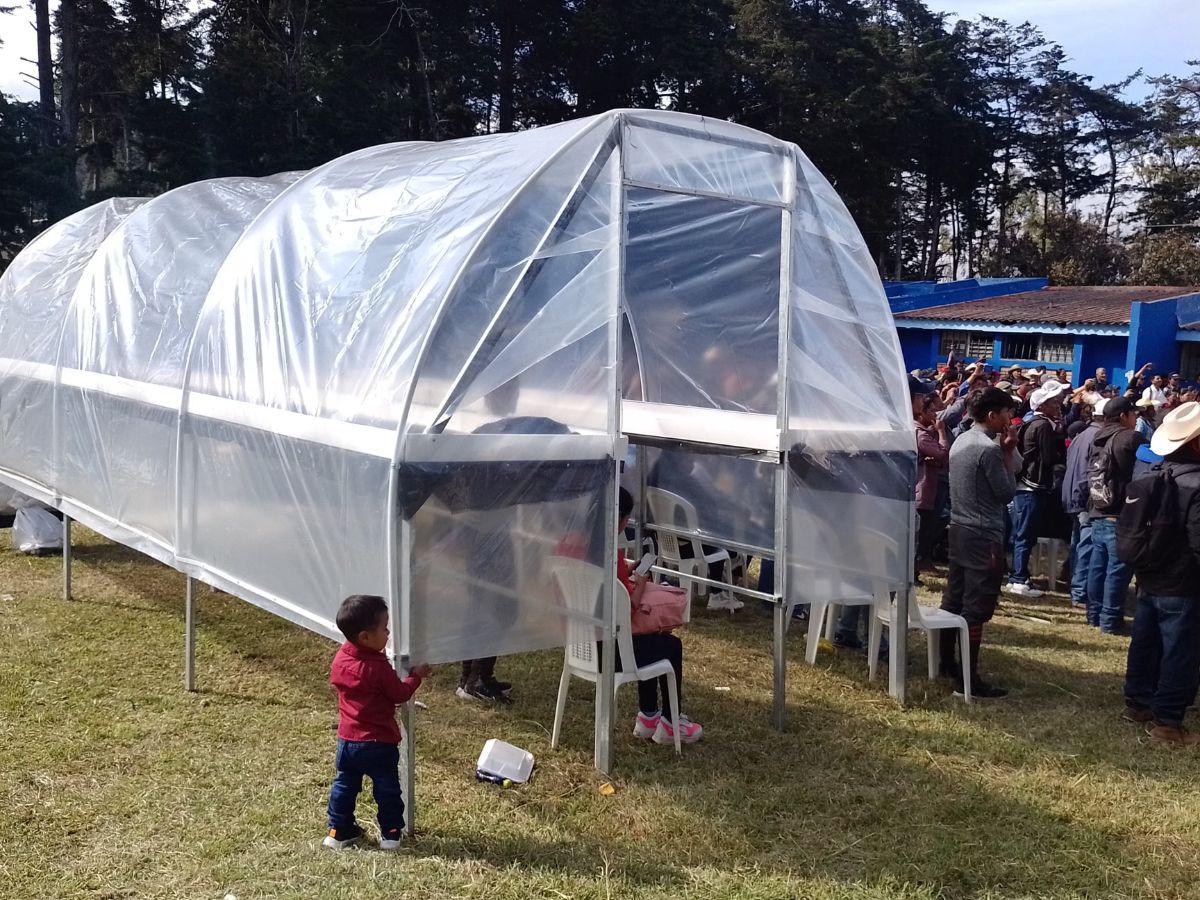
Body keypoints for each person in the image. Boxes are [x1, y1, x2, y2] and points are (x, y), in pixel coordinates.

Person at [324, 594, 432, 850]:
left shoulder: (340, 658)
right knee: (387, 789)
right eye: (384, 629)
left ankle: (337, 831)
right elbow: (399, 694)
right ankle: (391, 834)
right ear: (365, 637)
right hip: (379, 743)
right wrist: (416, 677)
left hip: (347, 741)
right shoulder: (377, 667)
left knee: (344, 785)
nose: (388, 633)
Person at [1122, 402, 1200, 746]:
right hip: (1184, 582)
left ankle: (1138, 704)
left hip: (1150, 574)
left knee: (1146, 642)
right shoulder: (1196, 484)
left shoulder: (1152, 473)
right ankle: (1168, 723)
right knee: (1180, 652)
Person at [939, 387, 1018, 698]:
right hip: (983, 534)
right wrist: (1008, 451)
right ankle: (968, 679)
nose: (1010, 419)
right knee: (976, 608)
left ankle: (946, 663)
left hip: (959, 527)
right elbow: (1006, 493)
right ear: (992, 415)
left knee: (953, 601)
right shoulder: (988, 449)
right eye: (1006, 413)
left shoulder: (962, 439)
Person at [617, 488, 703, 744]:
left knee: (651, 636)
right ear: (621, 519)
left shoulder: (576, 544)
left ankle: (649, 716)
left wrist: (628, 571)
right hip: (612, 654)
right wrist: (641, 581)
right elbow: (628, 606)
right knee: (670, 646)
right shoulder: (609, 553)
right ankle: (669, 721)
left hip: (583, 643)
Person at [1086, 397, 1145, 634]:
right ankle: (1110, 620)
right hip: (1121, 511)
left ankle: (1093, 615)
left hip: (1098, 507)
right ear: (1123, 416)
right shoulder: (1131, 438)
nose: (1136, 419)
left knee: (1097, 566)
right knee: (1118, 570)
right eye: (1134, 414)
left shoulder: (1096, 437)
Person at [1007, 380, 1067, 597]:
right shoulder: (1041, 425)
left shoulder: (1031, 422)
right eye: (1053, 403)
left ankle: (1018, 575)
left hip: (1027, 484)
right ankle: (1019, 578)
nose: (1058, 406)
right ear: (1041, 406)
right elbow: (1050, 457)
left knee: (1023, 533)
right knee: (1025, 534)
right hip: (1032, 485)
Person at [1062, 399, 1104, 611]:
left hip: (1073, 495)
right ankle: (1079, 592)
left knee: (1078, 543)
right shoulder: (1097, 438)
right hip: (1084, 497)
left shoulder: (1082, 435)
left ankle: (1074, 584)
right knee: (1085, 546)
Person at [915, 392, 951, 573]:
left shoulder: (923, 432)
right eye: (930, 411)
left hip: (925, 486)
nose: (935, 414)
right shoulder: (921, 434)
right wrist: (941, 431)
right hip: (923, 487)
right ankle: (918, 562)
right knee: (923, 529)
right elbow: (943, 453)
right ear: (920, 414)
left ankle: (922, 560)